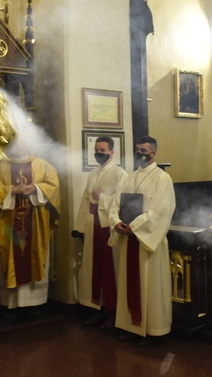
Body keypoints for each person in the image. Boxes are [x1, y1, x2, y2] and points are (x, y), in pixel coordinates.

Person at [108, 136, 175, 347]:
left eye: (143, 150)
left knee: (150, 286)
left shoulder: (162, 178)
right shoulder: (129, 178)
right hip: (128, 239)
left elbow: (161, 211)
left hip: (147, 241)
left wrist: (134, 226)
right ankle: (131, 327)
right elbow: (115, 203)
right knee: (129, 283)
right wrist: (116, 221)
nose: (139, 154)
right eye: (137, 150)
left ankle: (153, 329)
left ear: (154, 153)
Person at [0, 138, 60, 318]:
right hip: (9, 224)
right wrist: (12, 191)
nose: (20, 146)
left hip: (36, 223)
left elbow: (54, 189)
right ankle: (11, 304)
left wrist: (35, 188)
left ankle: (34, 303)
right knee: (12, 257)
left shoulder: (44, 166)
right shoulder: (1, 167)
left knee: (34, 255)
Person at [73, 136, 128, 328]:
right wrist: (80, 227)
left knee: (109, 269)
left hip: (107, 227)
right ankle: (97, 308)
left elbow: (121, 202)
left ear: (112, 152)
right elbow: (85, 201)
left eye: (102, 150)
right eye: (96, 150)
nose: (99, 154)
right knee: (93, 268)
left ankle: (112, 312)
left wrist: (101, 197)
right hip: (93, 224)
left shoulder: (119, 174)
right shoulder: (93, 173)